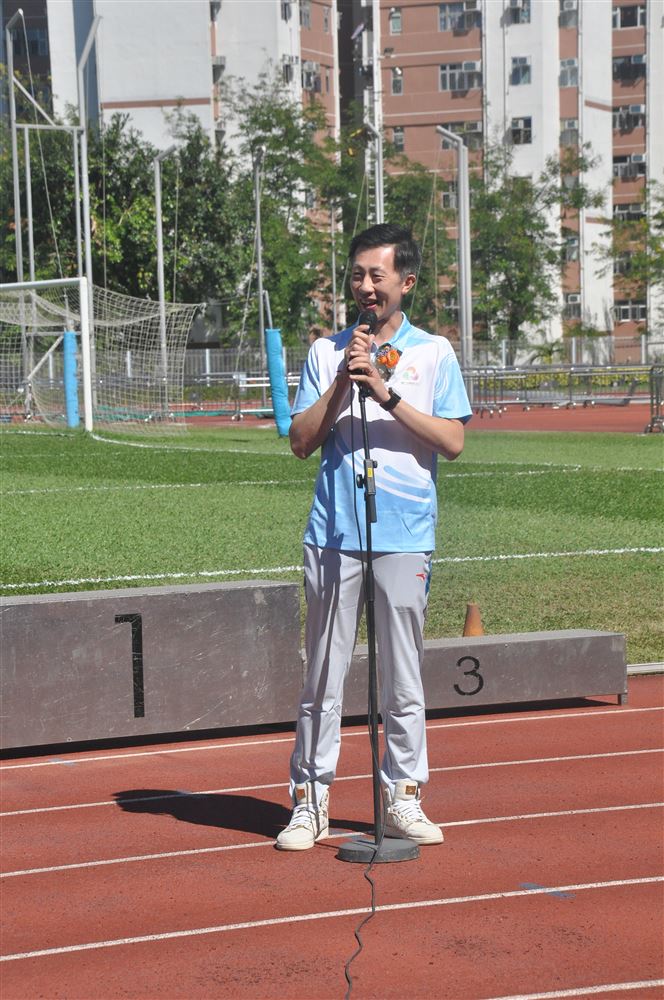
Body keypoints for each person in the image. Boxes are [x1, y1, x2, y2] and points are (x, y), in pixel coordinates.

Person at [276, 223, 472, 852]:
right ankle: (310, 801)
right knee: (323, 675)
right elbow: (300, 441)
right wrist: (344, 378)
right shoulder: (325, 352)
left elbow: (453, 440)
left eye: (376, 275)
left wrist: (386, 395)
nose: (364, 286)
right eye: (357, 275)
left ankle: (403, 795)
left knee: (402, 676)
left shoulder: (434, 353)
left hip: (405, 533)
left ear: (405, 282)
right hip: (334, 533)